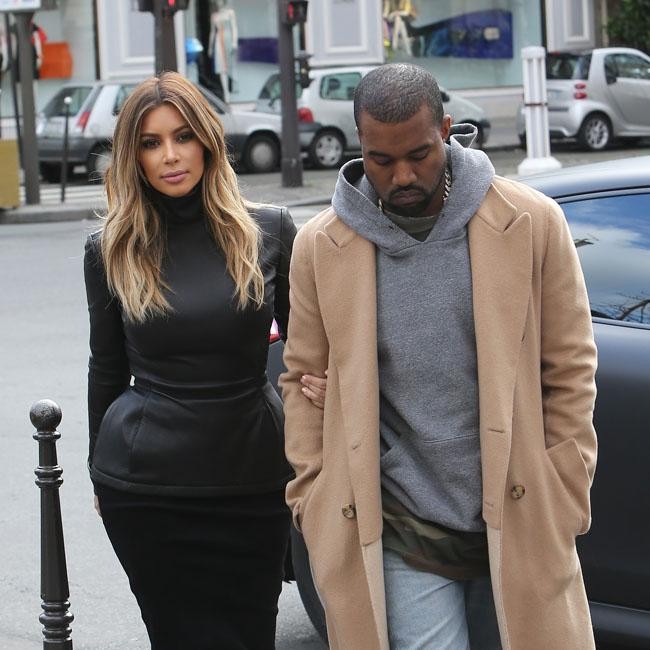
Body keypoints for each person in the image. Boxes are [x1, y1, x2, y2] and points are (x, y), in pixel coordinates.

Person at [280, 63, 597, 650]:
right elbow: (300, 376)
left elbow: (571, 366)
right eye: (381, 160)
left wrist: (566, 485)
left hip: (521, 506)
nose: (402, 175)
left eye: (419, 154)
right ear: (359, 145)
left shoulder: (531, 221)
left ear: (446, 130)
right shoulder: (321, 246)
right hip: (399, 524)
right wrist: (312, 493)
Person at [83, 71, 325, 650]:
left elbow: (305, 348)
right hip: (146, 488)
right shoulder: (111, 248)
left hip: (253, 477)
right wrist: (97, 471)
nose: (170, 155)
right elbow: (106, 369)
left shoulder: (268, 230)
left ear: (208, 142)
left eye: (183, 136)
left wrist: (322, 385)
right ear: (133, 157)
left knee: (250, 635)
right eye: (151, 142)